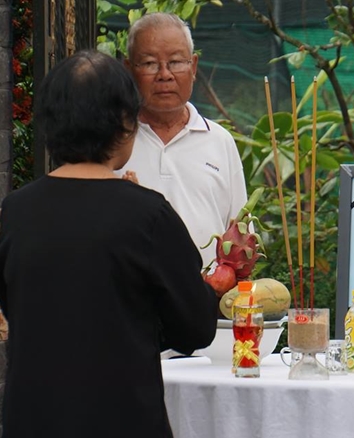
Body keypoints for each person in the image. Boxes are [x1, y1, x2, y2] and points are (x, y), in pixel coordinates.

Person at [0, 50, 217, 437]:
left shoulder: (15, 212)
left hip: (32, 420)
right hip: (122, 418)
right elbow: (196, 329)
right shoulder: (148, 215)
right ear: (124, 122)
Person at [118, 12, 248, 264]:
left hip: (207, 288)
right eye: (149, 63)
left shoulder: (219, 141)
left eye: (176, 62)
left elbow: (240, 236)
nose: (164, 74)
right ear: (128, 69)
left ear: (194, 67)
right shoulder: (113, 141)